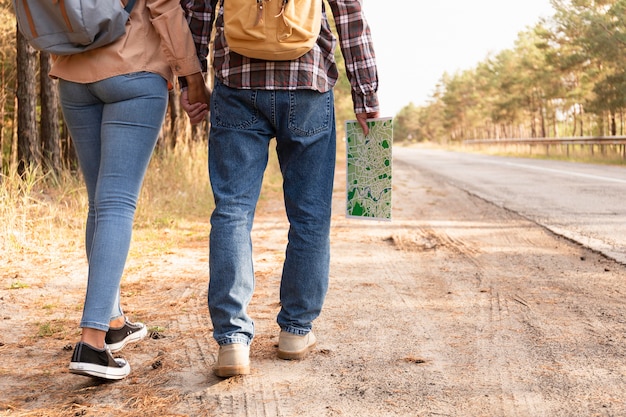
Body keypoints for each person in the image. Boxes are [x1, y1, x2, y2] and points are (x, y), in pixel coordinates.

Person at [181, 0, 379, 377]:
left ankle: (232, 340)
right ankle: (295, 331)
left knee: (232, 212)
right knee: (310, 215)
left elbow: (198, 13)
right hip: (307, 85)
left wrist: (191, 82)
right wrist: (365, 96)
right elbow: (350, 18)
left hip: (237, 85)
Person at [49, 0, 210, 380]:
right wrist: (193, 78)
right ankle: (92, 342)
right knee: (116, 206)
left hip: (74, 74)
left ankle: (113, 319)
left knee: (100, 205)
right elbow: (166, 10)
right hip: (134, 71)